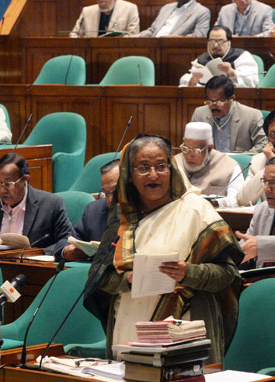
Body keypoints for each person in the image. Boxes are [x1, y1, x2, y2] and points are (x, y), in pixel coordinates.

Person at [84, 135, 243, 363]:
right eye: (143, 167)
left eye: (161, 166)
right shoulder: (121, 218)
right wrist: (127, 278)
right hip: (128, 330)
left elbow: (227, 275)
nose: (153, 175)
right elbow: (99, 278)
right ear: (129, 175)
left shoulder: (197, 211)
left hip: (186, 330)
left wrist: (188, 273)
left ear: (172, 169)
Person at [0, 153, 73, 255]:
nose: (2, 190)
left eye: (8, 184)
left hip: (30, 267)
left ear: (25, 180)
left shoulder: (51, 204)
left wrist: (38, 253)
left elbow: (66, 240)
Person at [56, 159, 120, 262]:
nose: (110, 200)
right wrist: (68, 251)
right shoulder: (94, 210)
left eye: (115, 191)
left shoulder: (147, 210)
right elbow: (66, 241)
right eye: (106, 193)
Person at [189, 76, 267, 153]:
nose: (213, 106)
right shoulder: (199, 114)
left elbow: (262, 144)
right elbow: (189, 143)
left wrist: (242, 159)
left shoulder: (251, 116)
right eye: (209, 101)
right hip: (209, 163)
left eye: (219, 102)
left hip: (240, 164)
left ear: (232, 98)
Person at [174, 122, 244, 207]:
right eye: (186, 149)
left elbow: (236, 201)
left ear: (210, 148)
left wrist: (213, 203)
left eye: (196, 151)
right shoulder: (173, 163)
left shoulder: (230, 166)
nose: (189, 155)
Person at [179, 26, 259, 88]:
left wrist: (231, 72)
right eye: (212, 41)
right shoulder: (201, 59)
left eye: (220, 41)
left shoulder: (241, 56)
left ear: (228, 42)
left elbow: (253, 82)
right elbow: (186, 84)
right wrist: (192, 82)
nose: (216, 45)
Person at [135, 0, 210, 37]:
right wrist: (132, 37)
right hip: (152, 44)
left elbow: (199, 36)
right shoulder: (166, 7)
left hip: (175, 50)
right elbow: (152, 31)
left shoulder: (201, 11)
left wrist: (174, 38)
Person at [70, 0, 140, 37]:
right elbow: (73, 34)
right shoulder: (87, 11)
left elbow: (134, 35)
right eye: (99, 1)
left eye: (105, 1)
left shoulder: (130, 8)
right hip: (92, 53)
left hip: (120, 52)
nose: (102, 3)